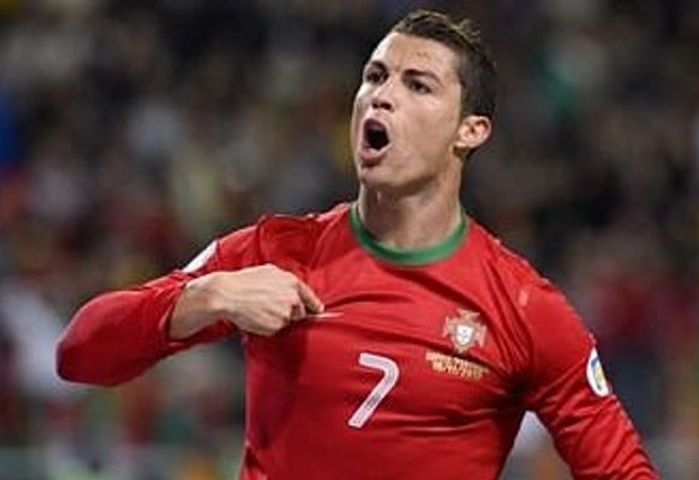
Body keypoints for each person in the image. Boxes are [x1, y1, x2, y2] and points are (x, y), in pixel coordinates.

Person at [56, 9, 658, 479]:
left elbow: (621, 470)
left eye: (418, 85)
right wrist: (207, 296)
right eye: (374, 76)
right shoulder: (276, 252)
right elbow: (79, 354)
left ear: (470, 131)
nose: (382, 95)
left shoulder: (523, 308)